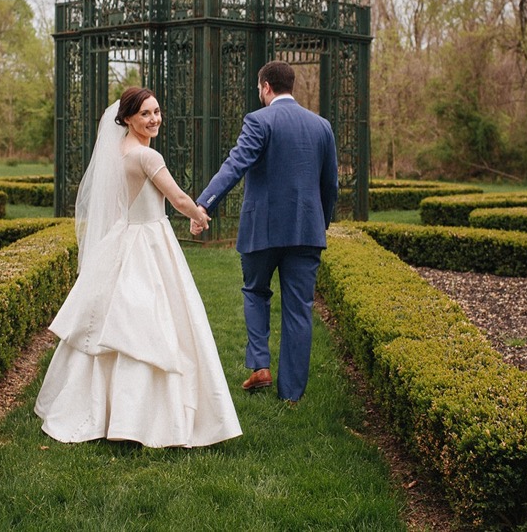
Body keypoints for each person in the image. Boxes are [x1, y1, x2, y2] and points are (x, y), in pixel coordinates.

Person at [34, 87, 241, 447]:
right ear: (127, 118)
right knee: (153, 321)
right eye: (145, 113)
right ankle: (146, 417)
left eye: (157, 112)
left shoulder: (120, 151)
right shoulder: (147, 156)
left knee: (118, 322)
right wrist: (198, 217)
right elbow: (177, 198)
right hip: (148, 240)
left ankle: (111, 410)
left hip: (127, 237)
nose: (154, 119)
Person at [192, 60, 338, 403]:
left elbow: (235, 165)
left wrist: (203, 205)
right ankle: (291, 395)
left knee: (255, 291)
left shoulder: (258, 121)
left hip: (262, 230)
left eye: (259, 88)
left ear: (266, 87)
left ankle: (260, 364)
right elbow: (329, 185)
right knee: (299, 308)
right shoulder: (322, 126)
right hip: (307, 232)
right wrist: (321, 222)